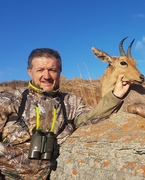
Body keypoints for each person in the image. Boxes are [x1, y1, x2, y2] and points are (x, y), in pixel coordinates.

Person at [0, 48, 131, 179]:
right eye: (40, 70)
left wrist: (115, 96)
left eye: (52, 70)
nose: (46, 76)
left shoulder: (71, 102)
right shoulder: (9, 99)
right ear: (30, 72)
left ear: (60, 72)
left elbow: (91, 118)